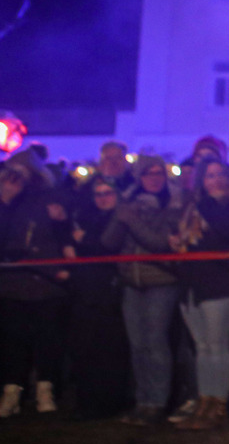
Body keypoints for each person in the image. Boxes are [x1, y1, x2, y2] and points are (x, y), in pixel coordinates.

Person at [172, 159, 229, 429]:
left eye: (221, 174)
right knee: (203, 347)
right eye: (210, 176)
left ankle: (218, 406)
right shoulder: (193, 206)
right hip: (193, 284)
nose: (217, 180)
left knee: (218, 345)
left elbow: (227, 232)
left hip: (224, 284)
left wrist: (205, 205)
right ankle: (204, 403)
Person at [102, 155, 182, 426]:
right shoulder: (129, 202)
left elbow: (160, 244)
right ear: (139, 177)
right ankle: (142, 400)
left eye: (159, 172)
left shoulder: (174, 203)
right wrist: (119, 216)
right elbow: (109, 242)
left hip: (161, 280)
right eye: (148, 173)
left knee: (156, 342)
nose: (154, 177)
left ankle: (158, 401)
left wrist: (132, 220)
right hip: (131, 282)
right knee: (138, 345)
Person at [0, 149, 72, 417]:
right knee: (13, 340)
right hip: (12, 281)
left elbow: (64, 237)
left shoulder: (53, 197)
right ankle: (12, 391)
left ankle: (46, 389)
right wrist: (5, 200)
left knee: (48, 339)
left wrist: (61, 221)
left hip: (47, 280)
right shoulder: (7, 200)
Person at [67, 177, 131, 419]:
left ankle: (110, 402)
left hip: (111, 288)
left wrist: (84, 240)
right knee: (85, 346)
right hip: (86, 289)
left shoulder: (120, 217)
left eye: (108, 193)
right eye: (98, 194)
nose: (103, 198)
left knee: (110, 348)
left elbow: (107, 246)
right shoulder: (87, 216)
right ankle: (88, 402)